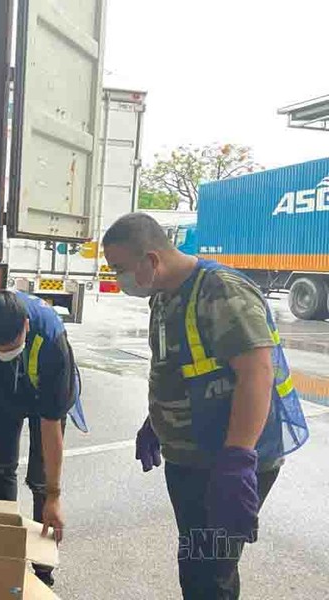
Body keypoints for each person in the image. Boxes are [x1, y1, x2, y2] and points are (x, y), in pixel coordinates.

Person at [102, 213, 309, 600]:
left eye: (120, 269)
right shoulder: (163, 296)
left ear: (151, 260)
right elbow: (180, 366)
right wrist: (157, 418)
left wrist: (237, 459)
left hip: (228, 461)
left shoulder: (222, 292)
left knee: (210, 573)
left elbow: (256, 374)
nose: (119, 279)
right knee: (197, 563)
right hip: (191, 456)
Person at [0, 289, 88, 587]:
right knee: (2, 469)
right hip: (1, 390)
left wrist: (54, 495)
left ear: (25, 325)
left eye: (10, 347)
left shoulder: (51, 339)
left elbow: (51, 426)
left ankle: (42, 572)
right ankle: (5, 559)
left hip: (45, 394)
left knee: (40, 480)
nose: (5, 352)